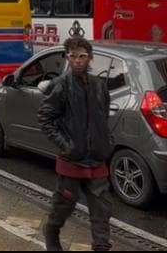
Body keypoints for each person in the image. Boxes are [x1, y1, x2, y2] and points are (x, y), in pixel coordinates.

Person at [37, 37, 112, 252]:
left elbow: (103, 116)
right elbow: (45, 118)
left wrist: (103, 141)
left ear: (90, 57)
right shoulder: (61, 86)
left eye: (82, 56)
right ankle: (51, 232)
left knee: (102, 210)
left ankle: (101, 247)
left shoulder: (99, 86)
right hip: (72, 158)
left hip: (97, 157)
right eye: (73, 56)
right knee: (64, 204)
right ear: (67, 58)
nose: (77, 60)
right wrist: (65, 145)